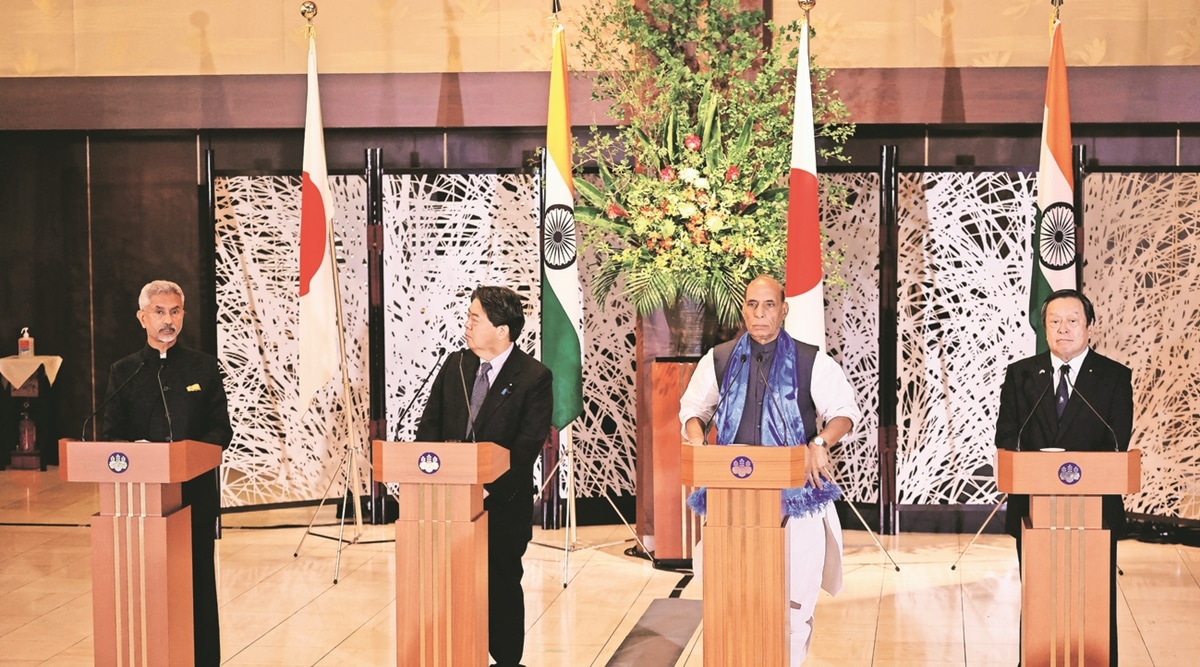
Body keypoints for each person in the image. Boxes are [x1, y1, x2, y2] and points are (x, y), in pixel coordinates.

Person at [678, 274, 861, 665]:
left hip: (796, 500)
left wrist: (820, 442)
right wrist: (696, 438)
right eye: (752, 305)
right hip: (732, 501)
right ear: (743, 308)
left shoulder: (811, 360)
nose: (759, 313)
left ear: (784, 309)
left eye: (769, 305)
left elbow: (845, 411)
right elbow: (693, 410)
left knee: (792, 608)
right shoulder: (721, 358)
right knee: (731, 605)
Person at [415, 285, 553, 667]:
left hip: (502, 504)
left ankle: (507, 660)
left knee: (500, 584)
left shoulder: (534, 376)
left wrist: (484, 486)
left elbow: (527, 446)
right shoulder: (455, 365)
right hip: (448, 504)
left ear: (503, 330)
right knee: (450, 585)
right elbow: (429, 428)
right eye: (469, 317)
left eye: (475, 318)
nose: (467, 325)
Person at [994, 288, 1133, 666]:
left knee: (1094, 597)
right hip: (1035, 512)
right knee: (1040, 594)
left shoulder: (1115, 377)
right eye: (1054, 321)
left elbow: (1118, 439)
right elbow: (1007, 437)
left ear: (1089, 326)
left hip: (1095, 514)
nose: (1063, 329)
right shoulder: (1021, 375)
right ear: (1044, 327)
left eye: (1073, 320)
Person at [100, 279, 233, 667]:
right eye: (159, 312)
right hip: (141, 499)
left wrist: (189, 454)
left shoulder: (203, 366)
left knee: (196, 584)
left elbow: (220, 429)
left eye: (175, 311)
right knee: (147, 585)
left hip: (194, 496)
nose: (168, 320)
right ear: (142, 317)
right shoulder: (124, 371)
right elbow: (112, 435)